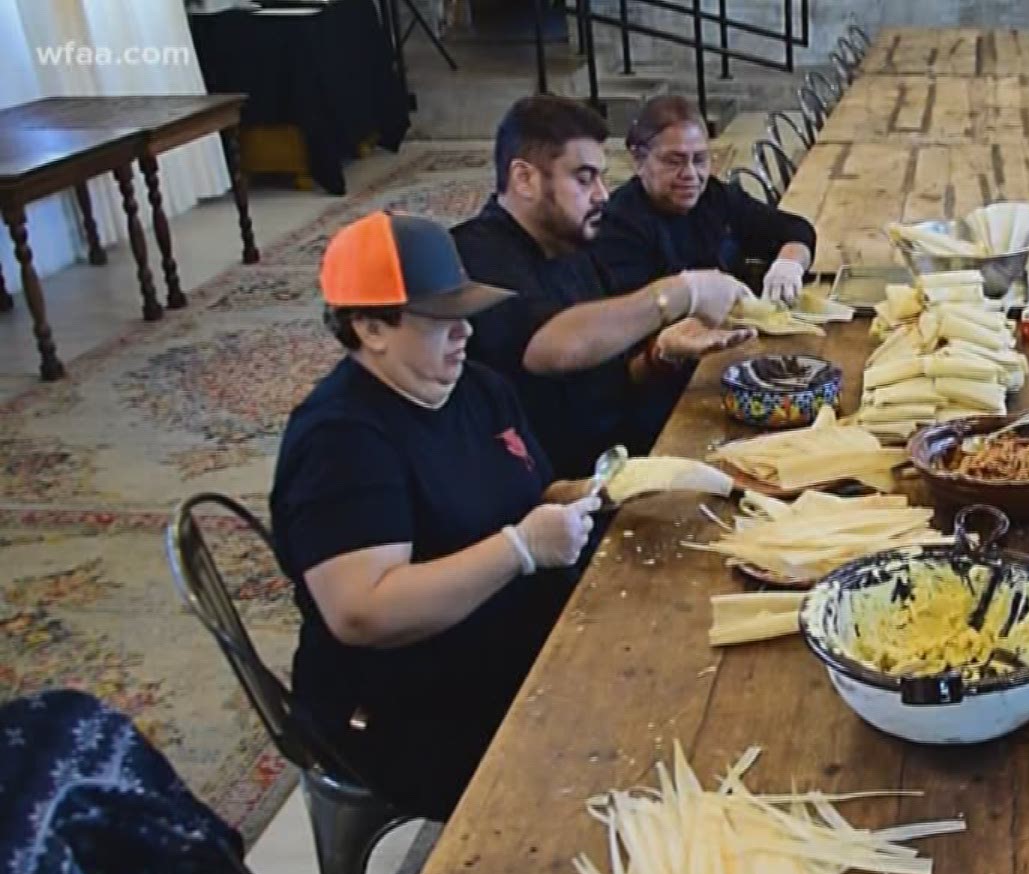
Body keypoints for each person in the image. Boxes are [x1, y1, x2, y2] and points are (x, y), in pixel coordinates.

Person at [271, 209, 602, 821]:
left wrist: (595, 491)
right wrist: (519, 550)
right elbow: (363, 611)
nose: (465, 335)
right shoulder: (342, 440)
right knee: (605, 751)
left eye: (467, 317)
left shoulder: (478, 388)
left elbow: (533, 487)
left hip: (501, 644)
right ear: (371, 327)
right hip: (406, 706)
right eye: (443, 321)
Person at [453, 94, 756, 479]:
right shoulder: (477, 252)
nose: (602, 194)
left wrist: (660, 353)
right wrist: (681, 291)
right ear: (524, 178)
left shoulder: (573, 243)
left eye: (600, 177)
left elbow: (609, 378)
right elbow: (549, 347)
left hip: (622, 451)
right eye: (583, 178)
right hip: (556, 489)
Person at [593, 94, 819, 304]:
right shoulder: (618, 224)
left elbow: (795, 229)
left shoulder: (715, 197)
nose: (690, 174)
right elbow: (636, 311)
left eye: (699, 160)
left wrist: (789, 263)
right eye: (674, 161)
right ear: (638, 160)